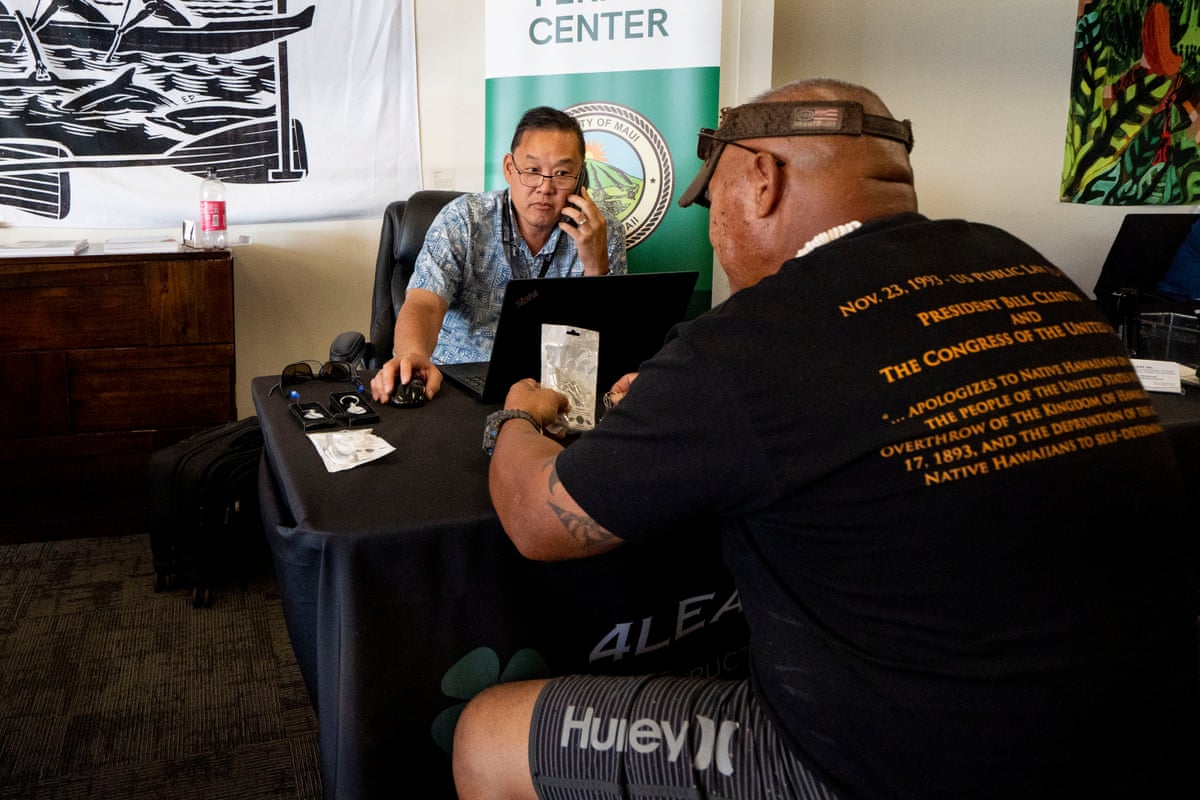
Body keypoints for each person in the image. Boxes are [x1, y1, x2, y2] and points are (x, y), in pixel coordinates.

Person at [452, 78, 1198, 799]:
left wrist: (518, 412)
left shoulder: (750, 339)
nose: (715, 230)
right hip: (1147, 737)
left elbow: (535, 519)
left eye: (713, 204)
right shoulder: (1033, 270)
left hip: (902, 767)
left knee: (487, 736)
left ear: (763, 179)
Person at [370, 106, 627, 404]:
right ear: (509, 169)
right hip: (458, 384)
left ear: (581, 177)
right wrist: (413, 354)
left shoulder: (602, 232)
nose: (545, 187)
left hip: (556, 391)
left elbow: (608, 343)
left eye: (561, 174)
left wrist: (597, 266)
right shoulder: (464, 219)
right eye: (532, 171)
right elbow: (424, 302)